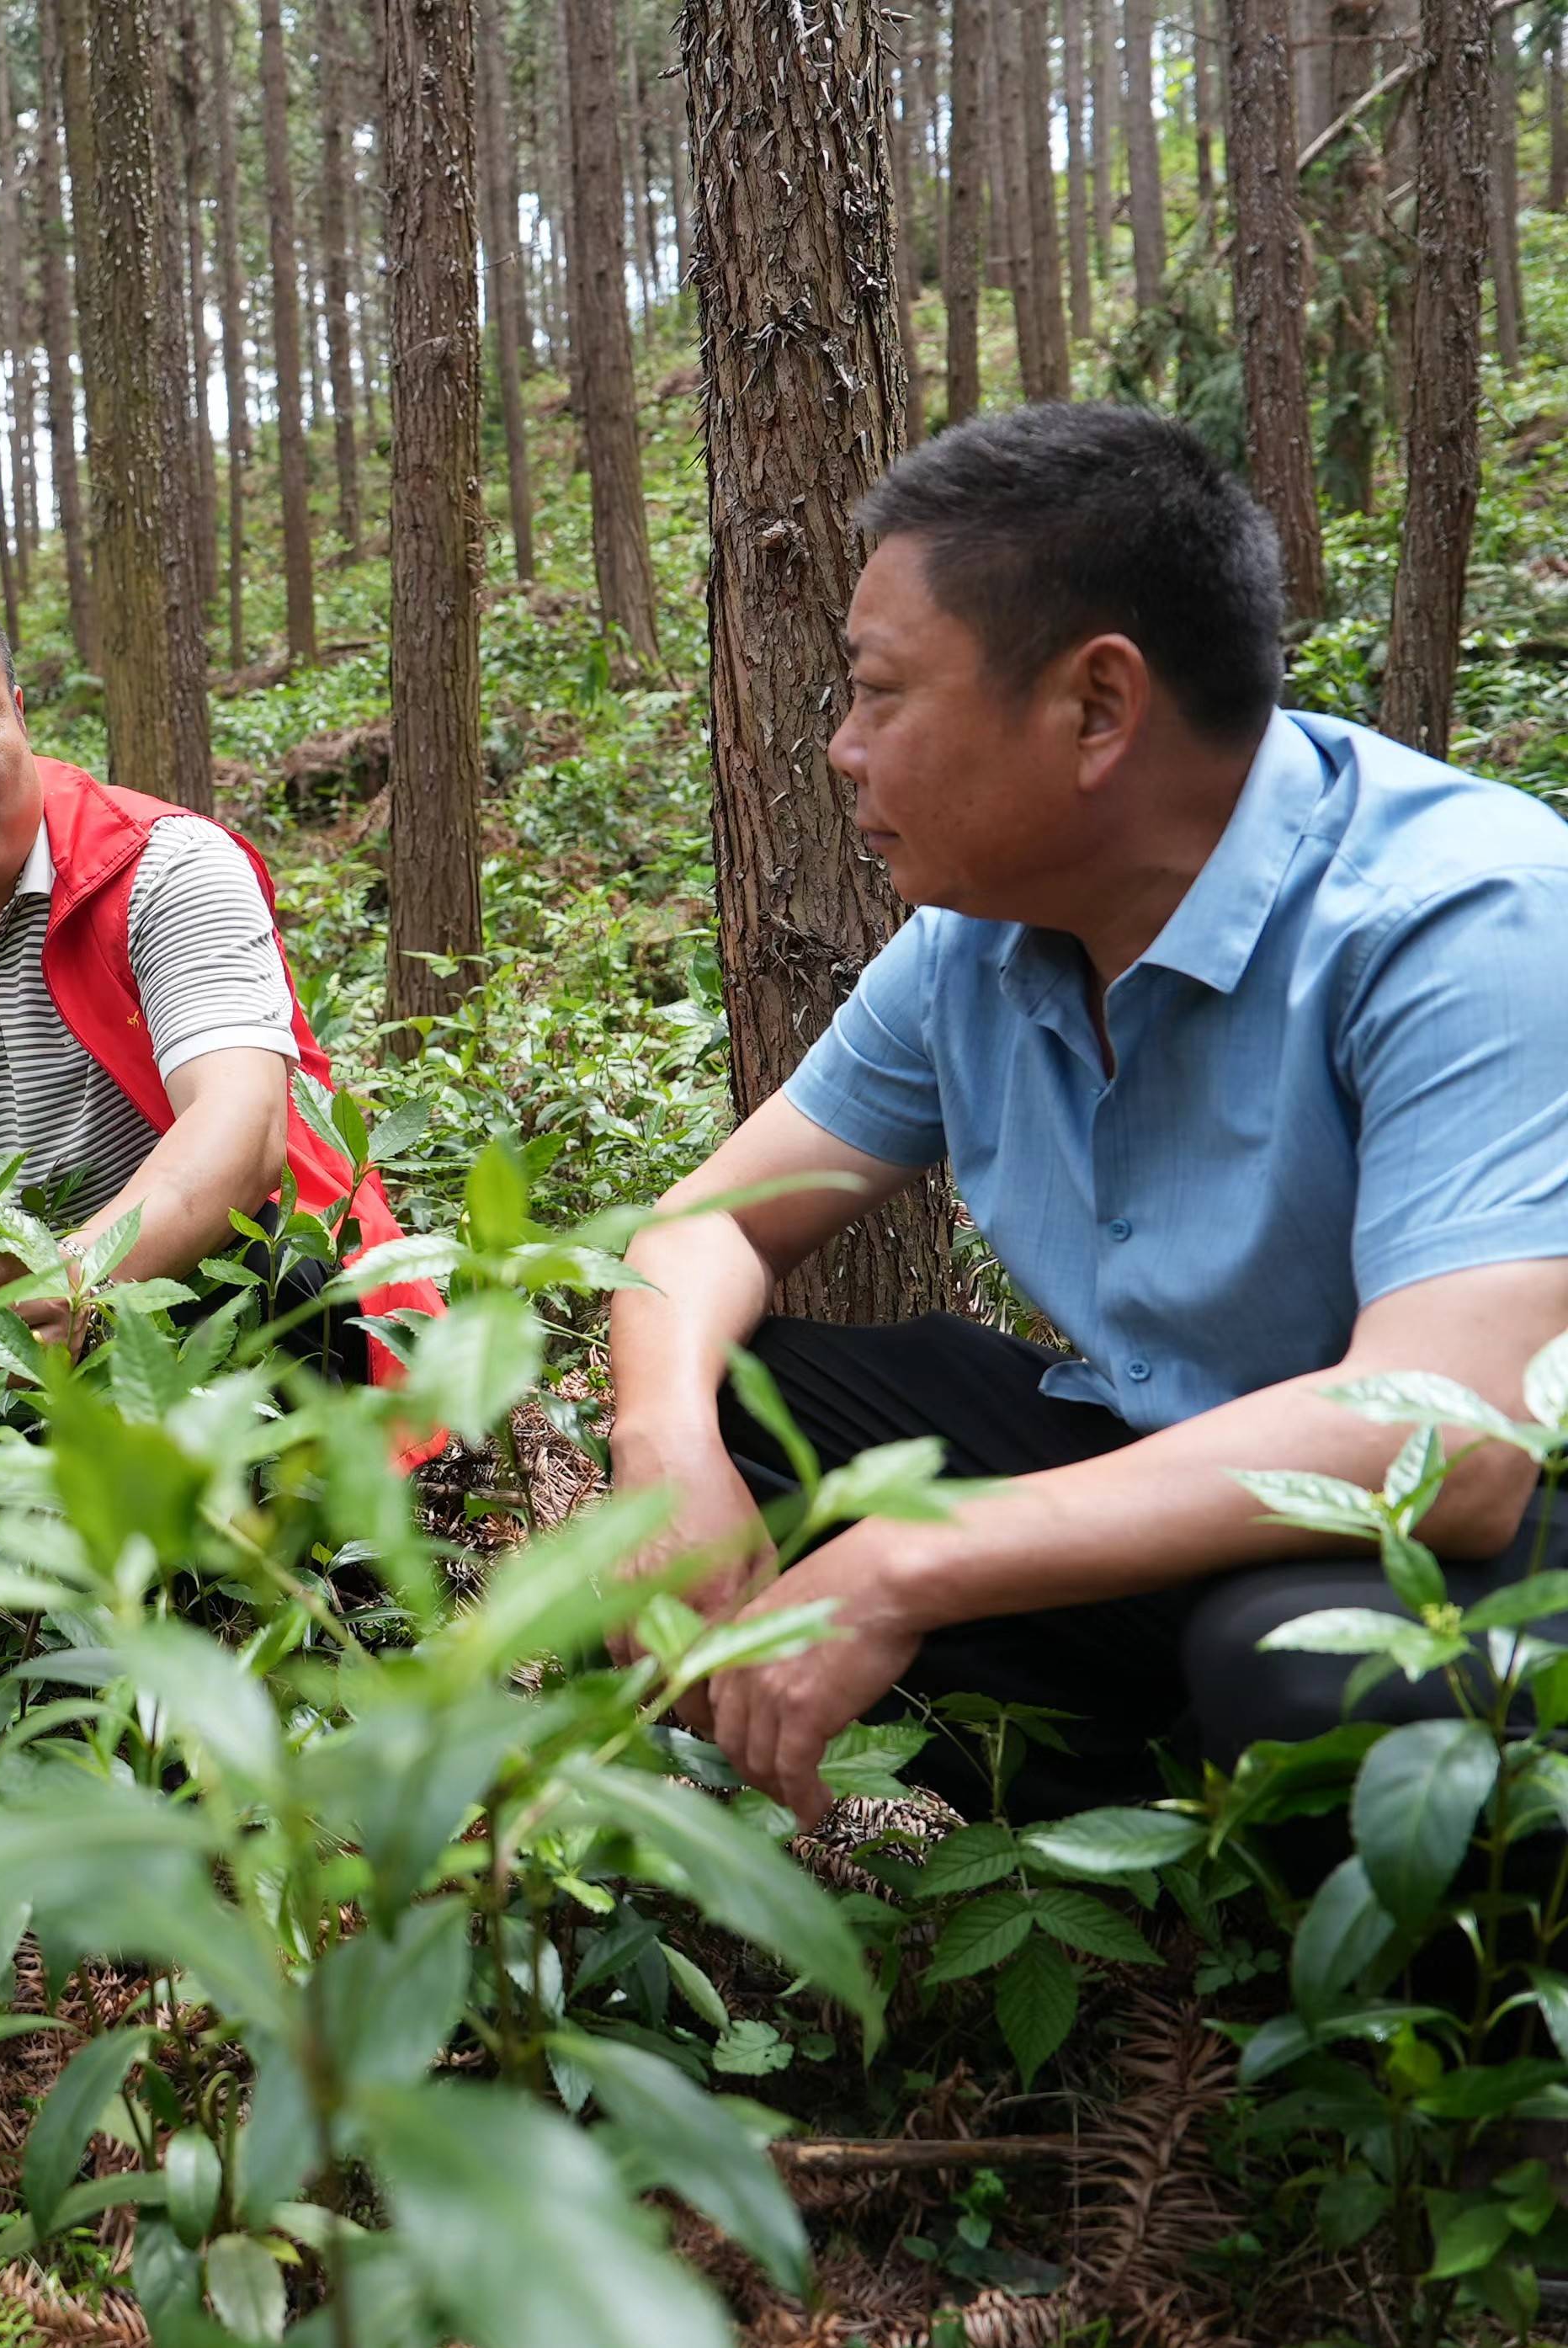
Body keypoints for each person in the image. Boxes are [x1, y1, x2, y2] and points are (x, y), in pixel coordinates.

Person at [609, 404, 1568, 1829]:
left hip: (1480, 1540)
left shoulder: (1464, 912)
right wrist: (663, 1446)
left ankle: (1266, 1922)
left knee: (1300, 1673)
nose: (841, 750)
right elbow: (698, 1231)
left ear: (1097, 708)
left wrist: (909, 1560)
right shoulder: (977, 940)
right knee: (742, 1409)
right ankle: (1098, 1812)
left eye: (880, 693)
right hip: (1157, 1474)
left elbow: (1455, 1438)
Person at [0, 551, 440, 1432]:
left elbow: (241, 1127)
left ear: (17, 717)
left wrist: (80, 1279)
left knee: (282, 1263)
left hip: (183, 1295)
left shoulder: (167, 870)